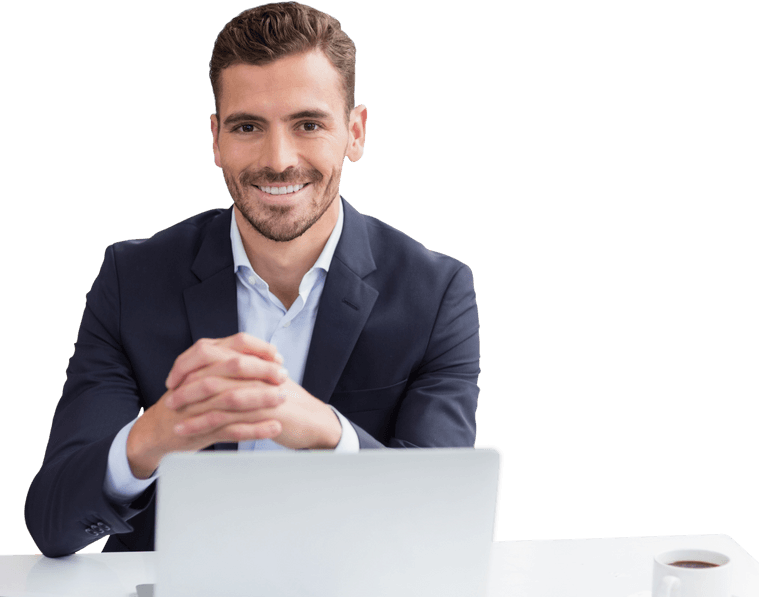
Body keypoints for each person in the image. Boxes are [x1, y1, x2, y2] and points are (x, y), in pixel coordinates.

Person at [24, 2, 480, 558]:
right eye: (247, 127)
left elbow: (443, 524)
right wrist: (154, 436)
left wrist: (326, 433)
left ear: (355, 133)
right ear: (216, 139)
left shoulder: (436, 293)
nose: (278, 159)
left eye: (308, 124)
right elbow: (52, 524)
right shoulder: (132, 278)